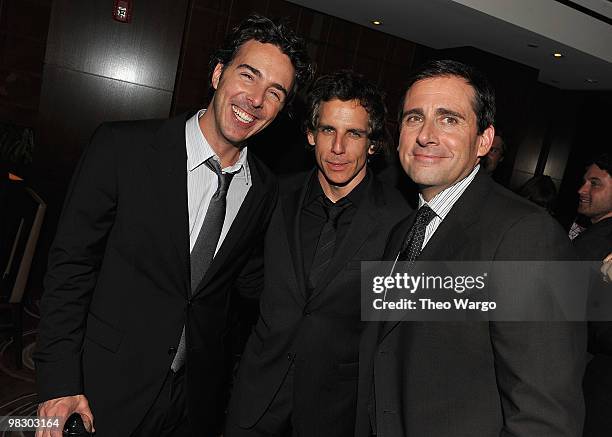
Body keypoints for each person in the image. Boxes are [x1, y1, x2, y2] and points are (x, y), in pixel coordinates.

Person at [34, 14, 313, 437]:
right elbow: (70, 268)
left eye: (274, 92)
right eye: (248, 75)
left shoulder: (265, 190)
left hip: (195, 402)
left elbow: (249, 282)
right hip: (103, 387)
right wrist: (59, 382)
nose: (255, 99)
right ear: (218, 73)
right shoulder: (121, 148)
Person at [356, 59, 586, 437]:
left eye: (449, 119)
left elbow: (545, 417)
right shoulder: (402, 231)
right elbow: (386, 349)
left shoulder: (529, 236)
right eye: (414, 118)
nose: (426, 135)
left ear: (484, 140)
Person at [224, 71, 409, 437]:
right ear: (311, 135)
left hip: (334, 410)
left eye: (353, 134)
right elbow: (245, 277)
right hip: (256, 397)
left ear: (372, 144)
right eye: (327, 130)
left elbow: (395, 328)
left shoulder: (399, 222)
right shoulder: (273, 195)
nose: (338, 148)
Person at [571, 154, 612, 436]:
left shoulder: (599, 243)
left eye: (594, 183)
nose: (582, 189)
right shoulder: (593, 235)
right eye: (584, 181)